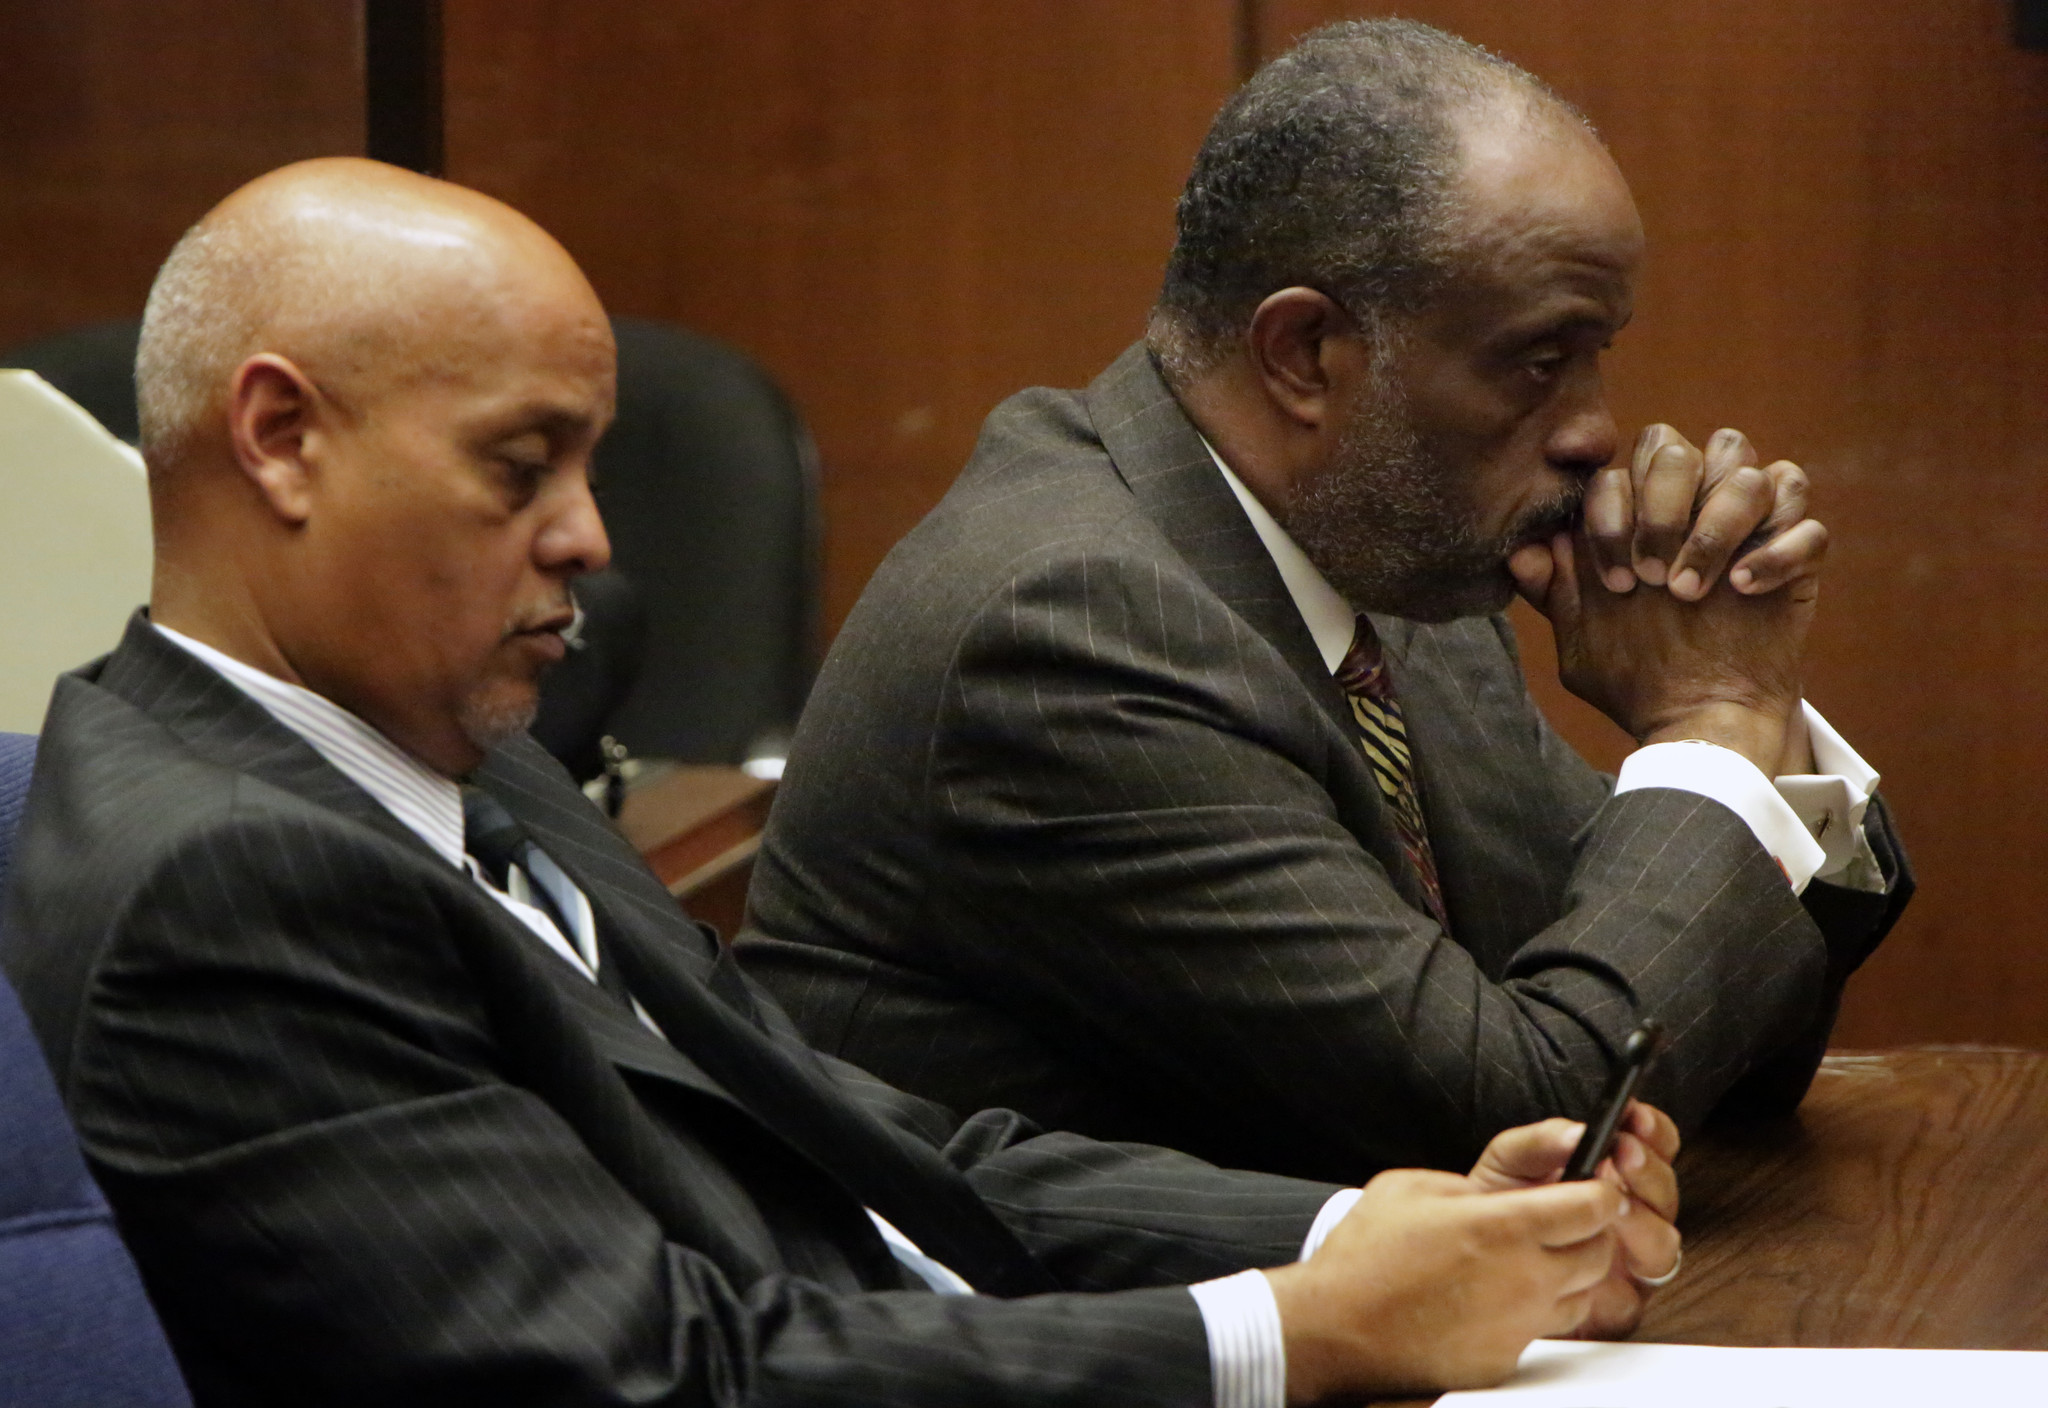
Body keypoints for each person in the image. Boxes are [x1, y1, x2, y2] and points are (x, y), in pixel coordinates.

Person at [0, 158, 1681, 1408]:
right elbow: (655, 1374)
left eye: (586, 465)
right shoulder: (221, 879)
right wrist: (1284, 1335)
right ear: (280, 438)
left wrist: (1357, 1233)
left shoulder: (463, 750)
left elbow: (864, 1144)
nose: (589, 537)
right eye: (521, 467)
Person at [737, 18, 1913, 1185]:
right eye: (1538, 360)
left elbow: (1682, 1039)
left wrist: (1749, 727)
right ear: (1303, 353)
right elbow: (1529, 1129)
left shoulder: (1383, 561)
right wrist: (1710, 726)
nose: (1594, 432)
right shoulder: (1069, 632)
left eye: (1596, 355)